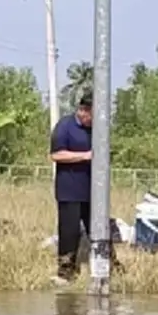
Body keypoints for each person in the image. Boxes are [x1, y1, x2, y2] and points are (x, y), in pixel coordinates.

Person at [50, 94, 93, 281]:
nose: (92, 121)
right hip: (70, 190)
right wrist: (85, 156)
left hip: (92, 191)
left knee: (99, 229)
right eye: (91, 115)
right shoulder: (65, 126)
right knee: (69, 233)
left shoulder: (97, 129)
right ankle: (66, 272)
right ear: (83, 110)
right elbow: (56, 155)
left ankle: (110, 267)